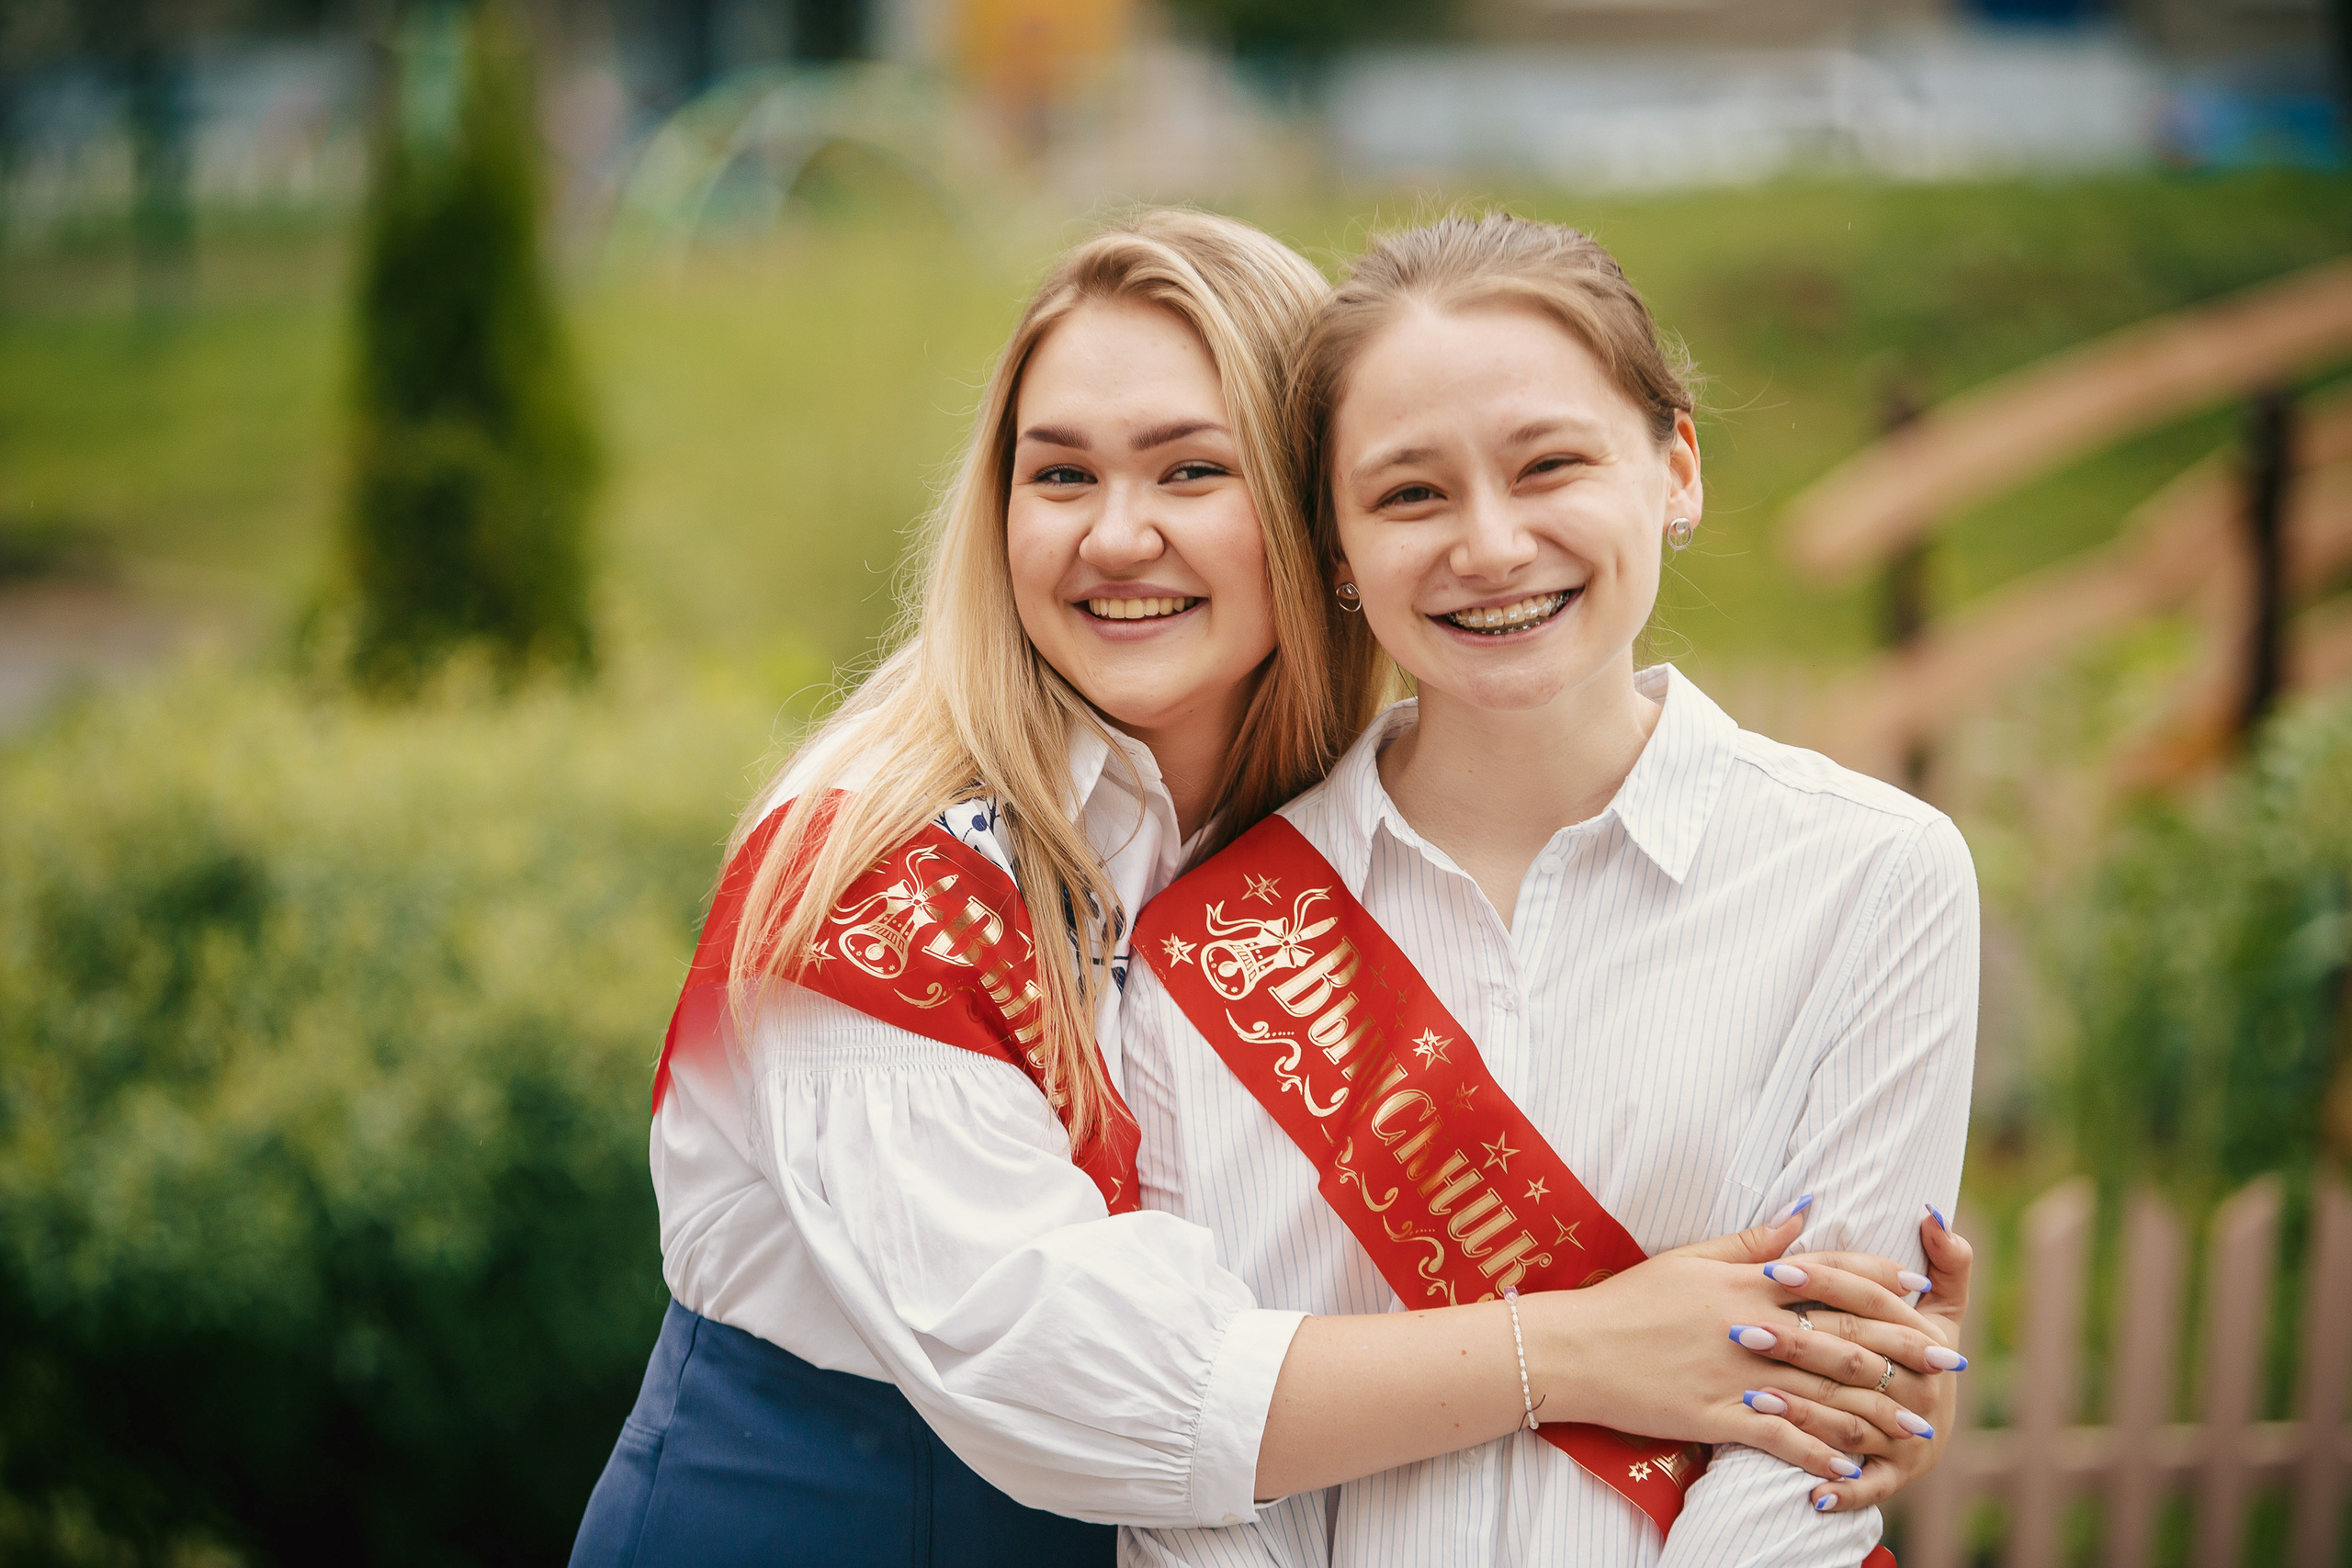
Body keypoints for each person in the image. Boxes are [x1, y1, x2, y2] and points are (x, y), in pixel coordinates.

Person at [569, 209, 1962, 1568]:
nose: (1119, 536)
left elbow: (1781, 1376)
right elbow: (1068, 1377)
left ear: (1306, 524)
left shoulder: (1274, 822)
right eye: (1060, 476)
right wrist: (1589, 1352)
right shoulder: (883, 862)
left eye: (1191, 470)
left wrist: (1860, 1387)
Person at [1122, 213, 1979, 1568]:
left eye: (1550, 465)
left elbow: (1814, 1439)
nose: (1491, 544)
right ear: (1335, 547)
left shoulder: (1873, 879)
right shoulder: (1208, 938)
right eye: (1410, 495)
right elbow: (1194, 1468)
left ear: (1675, 468)